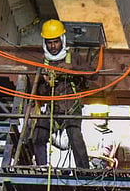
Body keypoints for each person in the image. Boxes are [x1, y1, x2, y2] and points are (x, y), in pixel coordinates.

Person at [32, 19, 91, 168]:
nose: (53, 46)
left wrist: (71, 68)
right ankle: (42, 168)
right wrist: (46, 82)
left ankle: (84, 171)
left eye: (56, 42)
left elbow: (93, 74)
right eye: (49, 42)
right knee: (38, 134)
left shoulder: (73, 57)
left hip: (72, 108)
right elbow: (40, 94)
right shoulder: (43, 63)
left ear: (62, 41)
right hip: (53, 110)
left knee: (75, 137)